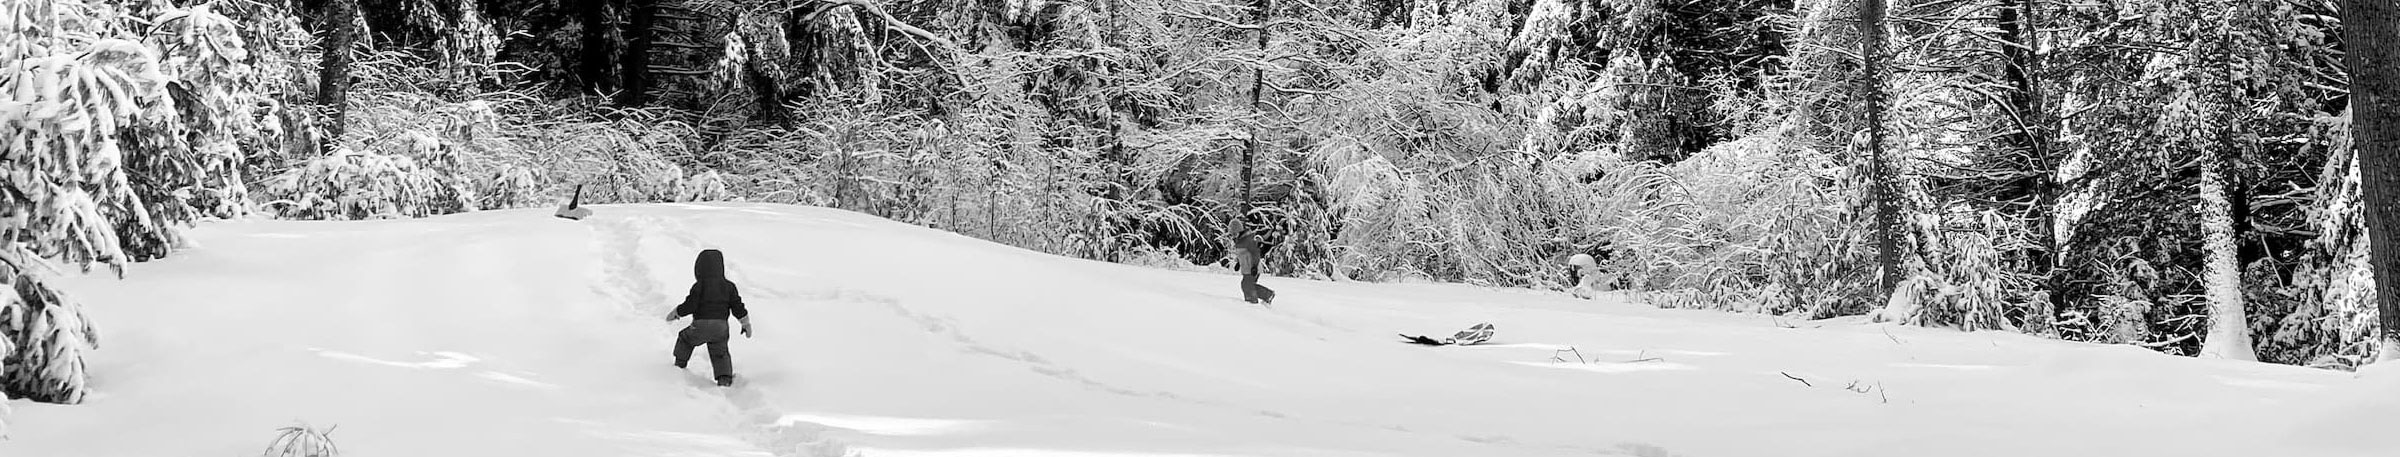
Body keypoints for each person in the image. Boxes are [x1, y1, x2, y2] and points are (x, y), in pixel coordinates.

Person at [664, 249, 751, 386]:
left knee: (685, 339)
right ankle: (724, 378)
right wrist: (745, 323)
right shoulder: (729, 287)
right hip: (721, 327)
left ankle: (679, 365)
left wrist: (677, 313)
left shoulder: (699, 286)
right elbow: (737, 307)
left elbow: (690, 304)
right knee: (720, 351)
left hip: (701, 325)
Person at [1233, 232, 1277, 304]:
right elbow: (1244, 254)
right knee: (1247, 285)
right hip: (1247, 269)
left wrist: (1254, 266)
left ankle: (1252, 303)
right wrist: (1239, 263)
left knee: (1247, 285)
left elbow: (1255, 253)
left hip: (1253, 268)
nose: (1233, 235)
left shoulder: (1247, 240)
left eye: (1234, 233)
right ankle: (1267, 295)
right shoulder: (1240, 242)